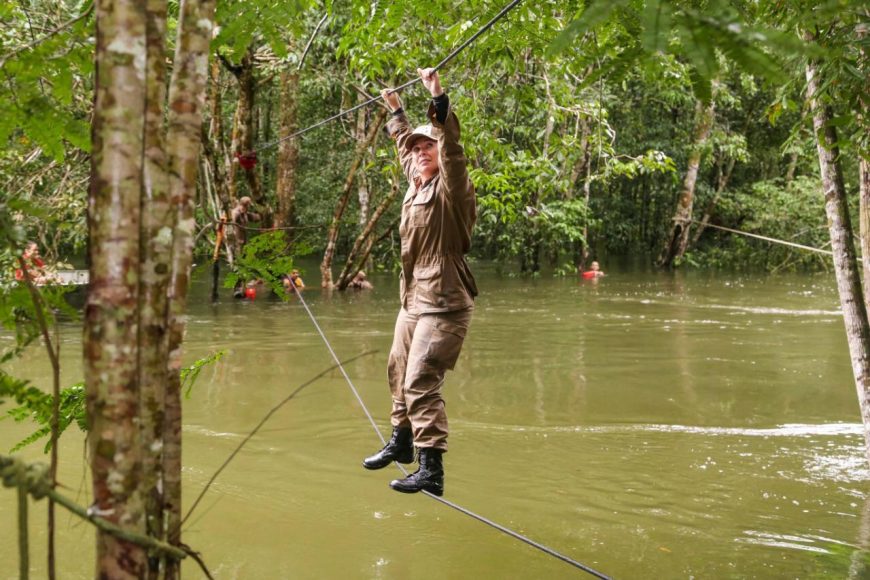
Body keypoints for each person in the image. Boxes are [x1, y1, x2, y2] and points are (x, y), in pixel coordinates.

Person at [361, 68, 477, 497]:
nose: (420, 151)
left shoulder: (452, 189)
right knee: (397, 370)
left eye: (427, 145)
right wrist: (396, 113)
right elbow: (403, 147)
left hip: (445, 301)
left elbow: (451, 150)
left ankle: (432, 469)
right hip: (413, 298)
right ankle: (403, 441)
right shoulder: (415, 182)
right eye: (417, 147)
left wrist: (437, 96)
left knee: (420, 379)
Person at [230, 196, 261, 297]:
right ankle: (237, 288)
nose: (249, 208)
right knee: (239, 265)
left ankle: (242, 287)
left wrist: (262, 213)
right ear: (246, 205)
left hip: (243, 243)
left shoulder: (245, 214)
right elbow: (231, 224)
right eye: (249, 205)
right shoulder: (236, 212)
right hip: (237, 243)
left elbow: (256, 217)